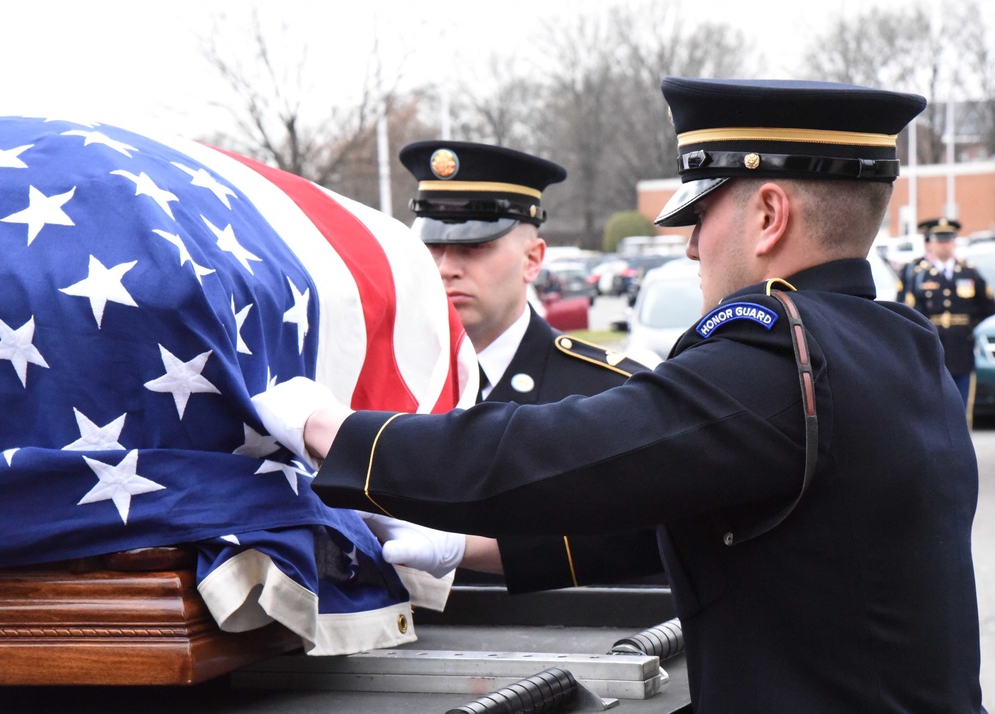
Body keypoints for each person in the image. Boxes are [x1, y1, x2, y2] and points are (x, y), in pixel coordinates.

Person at [253, 77, 986, 712]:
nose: (692, 247)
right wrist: (473, 547)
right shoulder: (895, 342)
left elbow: (554, 453)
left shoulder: (777, 354)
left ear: (768, 215)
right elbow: (684, 510)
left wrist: (333, 430)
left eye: (699, 215)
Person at [398, 140, 658, 590]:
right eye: (433, 246)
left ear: (533, 259)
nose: (446, 268)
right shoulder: (388, 383)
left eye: (473, 246)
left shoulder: (611, 394)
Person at [897, 217, 995, 412]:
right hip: (929, 347)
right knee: (932, 406)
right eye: (940, 240)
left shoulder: (968, 272)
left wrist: (968, 327)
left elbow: (988, 306)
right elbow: (905, 310)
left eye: (948, 239)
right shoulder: (916, 273)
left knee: (960, 405)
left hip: (961, 349)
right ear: (929, 242)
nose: (945, 244)